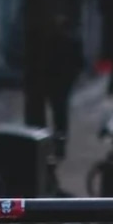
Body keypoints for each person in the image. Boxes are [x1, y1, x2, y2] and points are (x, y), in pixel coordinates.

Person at [42, 11, 87, 153]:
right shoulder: (70, 41)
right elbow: (80, 62)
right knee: (60, 111)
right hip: (61, 81)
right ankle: (59, 142)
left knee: (58, 111)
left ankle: (58, 142)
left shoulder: (52, 41)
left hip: (57, 80)